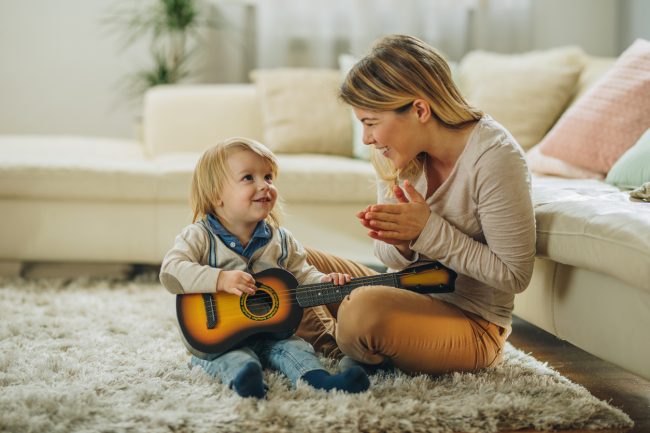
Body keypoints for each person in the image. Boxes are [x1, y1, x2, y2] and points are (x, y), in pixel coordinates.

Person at [297, 34, 536, 375]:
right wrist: (403, 244)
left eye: (370, 123)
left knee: (362, 312)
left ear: (420, 109)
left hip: (472, 324)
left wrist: (427, 231)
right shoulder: (396, 154)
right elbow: (389, 260)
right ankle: (345, 346)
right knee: (284, 258)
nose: (366, 138)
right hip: (401, 291)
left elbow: (514, 275)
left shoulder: (495, 156)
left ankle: (339, 343)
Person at [159, 137, 370, 398]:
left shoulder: (281, 240)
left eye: (268, 177)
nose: (264, 186)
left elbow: (303, 274)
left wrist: (325, 280)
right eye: (249, 178)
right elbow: (170, 270)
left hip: (272, 333)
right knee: (237, 359)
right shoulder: (199, 236)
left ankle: (321, 381)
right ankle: (244, 380)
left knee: (297, 348)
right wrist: (220, 279)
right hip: (216, 337)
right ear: (216, 195)